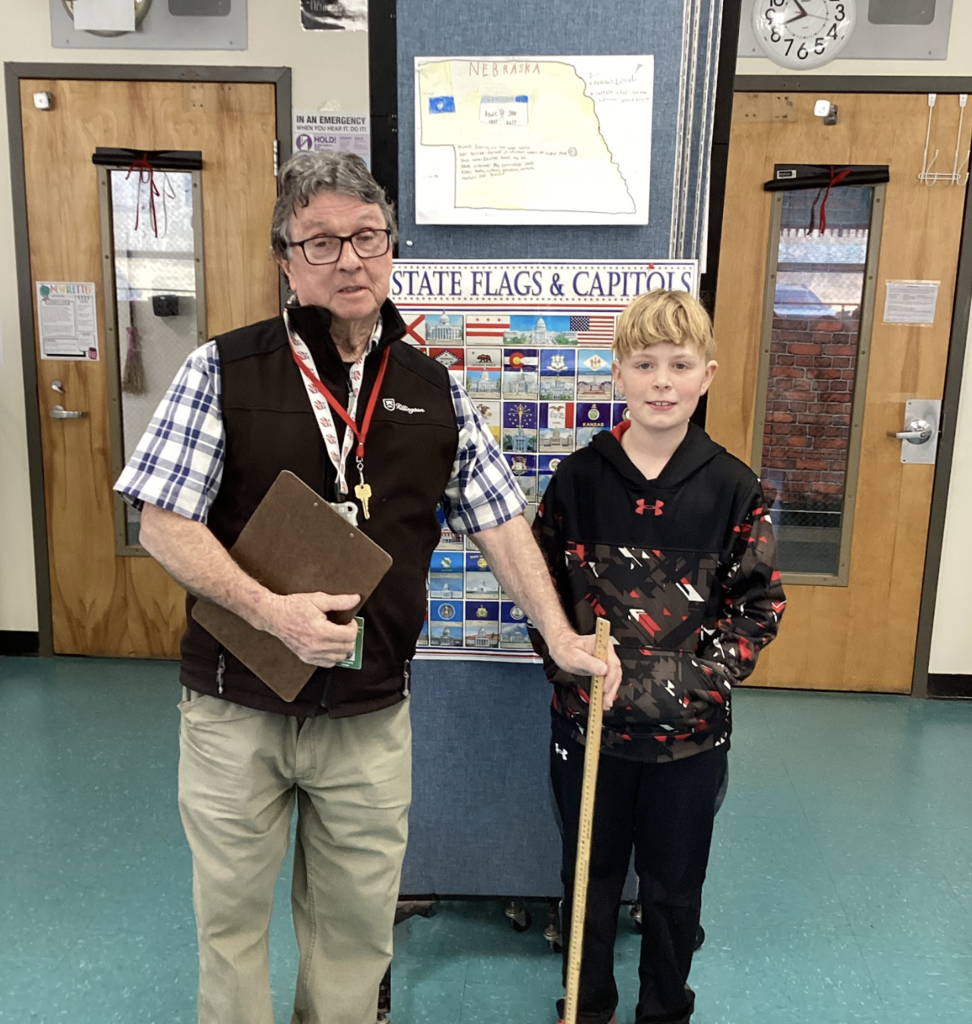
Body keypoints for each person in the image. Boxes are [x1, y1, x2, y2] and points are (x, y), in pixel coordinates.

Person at [114, 151, 621, 1024]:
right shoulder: (222, 370)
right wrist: (270, 610)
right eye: (321, 242)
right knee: (231, 925)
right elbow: (162, 522)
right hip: (238, 707)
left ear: (392, 249)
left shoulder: (433, 388)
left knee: (354, 934)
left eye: (367, 237)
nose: (349, 260)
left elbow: (500, 522)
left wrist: (562, 639)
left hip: (370, 710)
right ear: (285, 259)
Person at [531, 289, 785, 1024]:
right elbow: (543, 597)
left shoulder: (734, 488)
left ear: (707, 376)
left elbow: (757, 607)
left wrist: (690, 685)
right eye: (645, 364)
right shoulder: (578, 482)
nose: (663, 381)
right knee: (589, 879)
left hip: (690, 740)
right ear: (618, 375)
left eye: (679, 365)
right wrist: (571, 666)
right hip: (591, 731)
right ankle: (588, 1003)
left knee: (674, 889)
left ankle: (665, 1008)